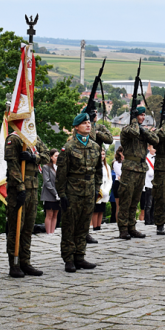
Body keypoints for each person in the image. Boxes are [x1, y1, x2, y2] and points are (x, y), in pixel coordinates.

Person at [57, 113, 101, 272]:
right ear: (76, 127)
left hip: (89, 191)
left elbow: (98, 171)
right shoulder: (68, 147)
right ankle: (69, 258)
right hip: (73, 191)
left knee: (84, 225)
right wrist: (61, 194)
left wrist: (97, 189)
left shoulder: (95, 147)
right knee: (70, 225)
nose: (88, 125)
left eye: (89, 122)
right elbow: (61, 173)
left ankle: (80, 256)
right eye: (84, 123)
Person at [5, 129, 50, 278]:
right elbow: (13, 167)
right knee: (16, 227)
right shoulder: (15, 139)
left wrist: (33, 157)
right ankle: (14, 263)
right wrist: (20, 187)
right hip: (18, 189)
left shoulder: (33, 138)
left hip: (33, 187)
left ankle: (26, 261)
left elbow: (46, 156)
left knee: (28, 227)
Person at [117, 107, 158, 239]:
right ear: (134, 116)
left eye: (143, 115)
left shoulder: (142, 131)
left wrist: (144, 131)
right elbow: (133, 132)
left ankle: (131, 226)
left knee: (135, 201)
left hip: (141, 168)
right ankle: (123, 229)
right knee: (126, 200)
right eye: (140, 115)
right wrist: (134, 121)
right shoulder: (127, 130)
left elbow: (155, 140)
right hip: (129, 169)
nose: (143, 117)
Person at [92, 148, 112, 231]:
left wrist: (107, 190)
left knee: (101, 209)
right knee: (96, 209)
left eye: (103, 154)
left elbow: (109, 179)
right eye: (101, 154)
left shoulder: (107, 166)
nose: (102, 156)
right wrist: (100, 190)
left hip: (105, 190)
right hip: (98, 190)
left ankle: (99, 226)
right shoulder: (95, 166)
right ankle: (95, 226)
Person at [41, 149, 60, 234]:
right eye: (56, 156)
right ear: (51, 157)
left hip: (58, 194)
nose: (58, 158)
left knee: (55, 214)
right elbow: (47, 182)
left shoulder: (60, 167)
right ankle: (48, 232)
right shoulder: (46, 167)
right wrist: (54, 192)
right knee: (49, 214)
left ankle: (53, 231)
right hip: (49, 194)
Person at [140, 145, 155, 224]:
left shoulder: (157, 158)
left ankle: (153, 219)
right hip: (148, 183)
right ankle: (147, 220)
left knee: (154, 204)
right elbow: (149, 172)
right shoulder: (146, 158)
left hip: (155, 184)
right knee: (148, 204)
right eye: (153, 147)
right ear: (148, 148)